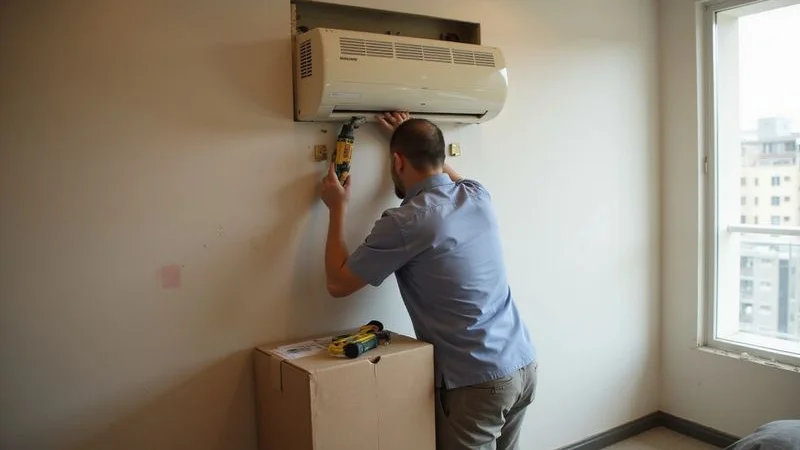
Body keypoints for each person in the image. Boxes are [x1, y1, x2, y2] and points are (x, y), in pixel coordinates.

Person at [319, 111, 537, 450]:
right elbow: (447, 176)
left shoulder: (406, 221)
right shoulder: (477, 195)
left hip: (475, 381)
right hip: (521, 363)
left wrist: (337, 208)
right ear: (441, 155)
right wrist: (413, 139)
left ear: (397, 161)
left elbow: (338, 283)